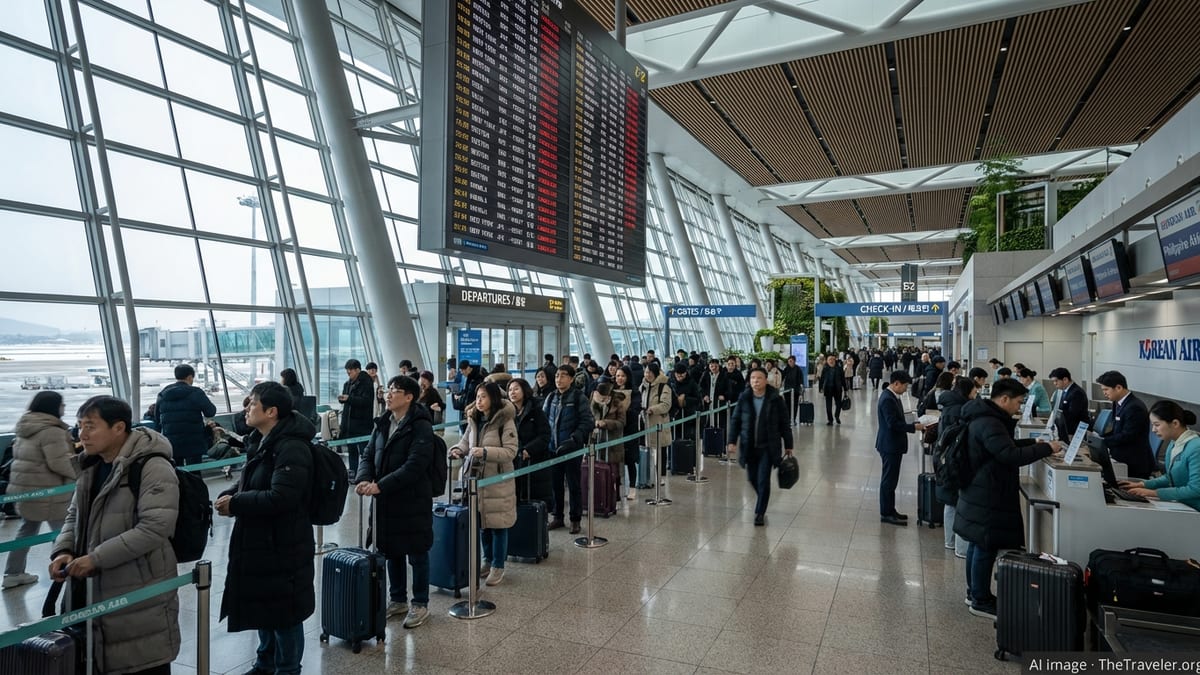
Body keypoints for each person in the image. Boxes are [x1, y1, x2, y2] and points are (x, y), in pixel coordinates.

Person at [50, 396, 180, 675]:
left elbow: (154, 528)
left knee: (140, 661)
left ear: (119, 427)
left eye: (90, 426)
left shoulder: (152, 467)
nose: (81, 434)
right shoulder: (91, 466)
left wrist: (96, 559)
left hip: (138, 589)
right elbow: (75, 515)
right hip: (90, 589)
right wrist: (64, 550)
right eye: (79, 426)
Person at [215, 383, 315, 675]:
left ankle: (287, 669)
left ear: (271, 412)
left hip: (284, 543)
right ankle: (264, 664)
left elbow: (282, 496)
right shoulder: (263, 441)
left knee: (285, 614)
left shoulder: (292, 446)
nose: (247, 408)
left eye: (253, 404)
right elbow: (255, 478)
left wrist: (237, 503)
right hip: (262, 541)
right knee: (265, 605)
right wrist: (233, 493)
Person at [954, 378, 1062, 619]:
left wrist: (1033, 442)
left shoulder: (985, 417)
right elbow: (1008, 454)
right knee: (985, 545)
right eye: (1018, 402)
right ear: (1004, 399)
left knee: (977, 543)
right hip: (987, 491)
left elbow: (1003, 445)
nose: (1019, 407)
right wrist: (1046, 449)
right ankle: (980, 599)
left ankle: (974, 592)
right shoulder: (990, 422)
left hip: (980, 488)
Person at [354, 375, 434, 628]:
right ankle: (397, 599)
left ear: (409, 397)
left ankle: (420, 603)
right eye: (388, 390)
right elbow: (367, 454)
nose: (388, 394)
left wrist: (381, 485)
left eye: (395, 391)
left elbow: (416, 465)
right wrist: (365, 478)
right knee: (391, 549)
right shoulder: (382, 423)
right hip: (384, 500)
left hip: (412, 499)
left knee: (417, 552)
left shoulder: (421, 425)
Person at [4, 391, 77, 589]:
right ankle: (68, 570)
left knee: (26, 531)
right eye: (62, 404)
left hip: (27, 490)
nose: (64, 408)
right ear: (53, 407)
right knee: (64, 533)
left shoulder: (25, 426)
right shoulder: (51, 430)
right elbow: (59, 462)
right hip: (49, 491)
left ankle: (12, 572)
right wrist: (78, 476)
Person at [451, 382, 518, 585]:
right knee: (482, 524)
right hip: (476, 480)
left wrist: (486, 452)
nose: (479, 401)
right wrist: (457, 449)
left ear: (493, 399)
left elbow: (510, 451)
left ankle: (498, 565)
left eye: (483, 397)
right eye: (478, 397)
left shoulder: (505, 421)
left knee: (498, 525)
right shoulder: (474, 419)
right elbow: (465, 441)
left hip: (497, 481)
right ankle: (487, 560)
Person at [727, 368, 794, 526]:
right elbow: (736, 419)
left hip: (768, 447)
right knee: (752, 478)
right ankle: (763, 497)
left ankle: (759, 512)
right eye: (752, 378)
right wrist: (732, 441)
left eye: (759, 378)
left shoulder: (775, 398)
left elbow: (785, 423)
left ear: (766, 380)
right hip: (749, 446)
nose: (755, 381)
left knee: (763, 479)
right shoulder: (745, 397)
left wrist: (789, 444)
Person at [1120, 401, 1200, 511]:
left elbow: (1196, 489)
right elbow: (1169, 477)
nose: (1153, 430)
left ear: (1175, 423)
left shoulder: (1196, 448)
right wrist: (1143, 484)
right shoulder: (1173, 443)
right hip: (1183, 505)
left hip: (1195, 509)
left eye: (1157, 425)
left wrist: (1154, 493)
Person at [543, 365, 594, 534]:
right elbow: (544, 421)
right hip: (553, 448)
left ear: (571, 379)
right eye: (557, 375)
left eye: (563, 376)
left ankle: (575, 519)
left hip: (572, 449)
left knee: (573, 485)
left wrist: (575, 439)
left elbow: (587, 422)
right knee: (555, 485)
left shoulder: (579, 398)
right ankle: (558, 516)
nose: (559, 379)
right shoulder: (551, 397)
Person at [876, 370, 925, 526]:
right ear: (896, 383)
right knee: (888, 480)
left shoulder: (893, 397)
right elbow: (893, 424)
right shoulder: (887, 399)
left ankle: (891, 509)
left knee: (892, 479)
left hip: (893, 444)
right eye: (904, 386)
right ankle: (886, 513)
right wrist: (913, 427)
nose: (906, 389)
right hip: (889, 445)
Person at [936, 377, 976, 559]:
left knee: (950, 501)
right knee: (959, 502)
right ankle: (961, 548)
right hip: (956, 459)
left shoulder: (948, 404)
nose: (976, 396)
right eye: (974, 392)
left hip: (946, 457)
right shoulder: (961, 410)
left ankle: (949, 541)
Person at [1094, 370, 1155, 479]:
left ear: (1118, 388)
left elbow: (1128, 436)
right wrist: (1097, 440)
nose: (1104, 393)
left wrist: (1102, 442)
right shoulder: (1117, 402)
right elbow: (1116, 430)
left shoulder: (1134, 407)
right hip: (1119, 454)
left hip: (1133, 462)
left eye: (1106, 389)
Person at [154, 363, 217, 466]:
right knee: (195, 473)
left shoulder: (163, 394)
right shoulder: (196, 392)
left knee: (178, 473)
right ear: (189, 377)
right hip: (194, 441)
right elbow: (211, 412)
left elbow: (157, 419)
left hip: (172, 442)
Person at [508, 378, 554, 509]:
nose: (512, 392)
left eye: (516, 389)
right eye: (510, 390)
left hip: (534, 461)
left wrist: (529, 449)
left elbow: (545, 435)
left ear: (524, 390)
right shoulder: (507, 413)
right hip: (514, 460)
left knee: (535, 502)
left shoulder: (536, 410)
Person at [339, 358, 376, 478]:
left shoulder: (366, 383)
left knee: (364, 451)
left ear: (357, 370)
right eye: (347, 372)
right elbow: (346, 401)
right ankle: (353, 473)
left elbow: (366, 402)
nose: (349, 374)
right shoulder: (347, 384)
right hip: (349, 424)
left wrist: (349, 399)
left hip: (362, 424)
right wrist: (342, 399)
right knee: (352, 451)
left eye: (350, 372)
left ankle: (366, 474)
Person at [640, 362, 673, 481]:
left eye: (650, 372)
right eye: (646, 372)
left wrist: (652, 409)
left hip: (659, 423)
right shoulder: (643, 386)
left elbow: (666, 405)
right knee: (648, 449)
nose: (647, 374)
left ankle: (661, 476)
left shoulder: (664, 386)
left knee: (661, 449)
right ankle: (648, 475)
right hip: (645, 423)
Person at [613, 366, 642, 499]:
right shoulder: (610, 391)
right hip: (615, 430)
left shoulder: (635, 392)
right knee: (615, 459)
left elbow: (635, 409)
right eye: (618, 376)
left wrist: (622, 412)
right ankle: (617, 488)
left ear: (628, 377)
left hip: (629, 429)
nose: (620, 378)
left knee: (630, 459)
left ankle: (632, 487)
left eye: (623, 376)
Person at [590, 381, 628, 474]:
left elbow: (622, 422)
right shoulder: (592, 401)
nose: (601, 401)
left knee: (612, 472)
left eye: (603, 399)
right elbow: (586, 417)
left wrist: (606, 423)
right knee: (596, 470)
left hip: (612, 442)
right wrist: (594, 422)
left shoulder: (617, 403)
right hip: (596, 440)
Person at [1048, 367, 1090, 442]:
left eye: (1056, 381)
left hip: (1075, 431)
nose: (1054, 384)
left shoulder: (1076, 392)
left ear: (1065, 380)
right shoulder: (1065, 391)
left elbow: (1072, 415)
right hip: (1066, 429)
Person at [818, 354, 844, 425]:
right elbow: (822, 379)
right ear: (827, 361)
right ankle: (830, 420)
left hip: (837, 389)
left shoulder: (839, 368)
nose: (831, 361)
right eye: (830, 359)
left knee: (838, 405)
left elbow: (843, 379)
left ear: (835, 360)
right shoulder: (825, 368)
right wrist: (820, 388)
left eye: (833, 359)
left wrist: (845, 388)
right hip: (828, 389)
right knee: (828, 406)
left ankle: (837, 416)